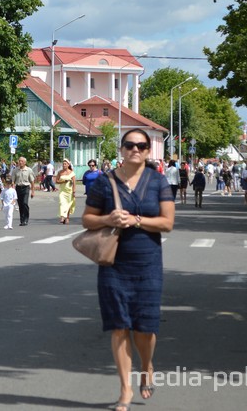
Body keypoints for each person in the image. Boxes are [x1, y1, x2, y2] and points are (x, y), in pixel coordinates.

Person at [81, 129, 175, 411]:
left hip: (147, 262)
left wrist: (135, 220)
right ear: (121, 150)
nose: (135, 149)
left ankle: (146, 367)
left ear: (148, 151)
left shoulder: (158, 181)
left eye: (141, 146)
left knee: (145, 328)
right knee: (119, 326)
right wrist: (108, 218)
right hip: (113, 263)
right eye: (130, 145)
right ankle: (125, 388)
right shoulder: (104, 182)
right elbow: (87, 219)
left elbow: (167, 223)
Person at [11, 156, 35, 226]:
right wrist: (12, 191)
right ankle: (22, 220)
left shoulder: (29, 170)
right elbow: (13, 181)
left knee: (25, 203)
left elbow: (32, 181)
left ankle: (26, 219)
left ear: (25, 162)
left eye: (21, 161)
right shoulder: (15, 170)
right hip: (18, 188)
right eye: (19, 161)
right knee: (20, 205)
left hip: (26, 188)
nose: (20, 162)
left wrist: (33, 192)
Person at [55, 158, 77, 224]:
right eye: (63, 164)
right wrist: (63, 181)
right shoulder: (60, 172)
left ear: (68, 165)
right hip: (62, 191)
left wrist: (74, 192)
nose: (64, 165)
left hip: (69, 191)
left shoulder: (72, 173)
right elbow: (56, 181)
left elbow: (74, 183)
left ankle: (67, 217)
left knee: (68, 205)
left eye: (65, 164)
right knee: (62, 203)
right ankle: (62, 217)